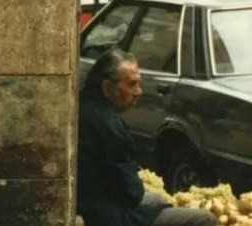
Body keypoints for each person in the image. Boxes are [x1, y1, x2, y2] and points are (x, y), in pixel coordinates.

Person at [77, 48, 216, 226]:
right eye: (131, 84)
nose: (139, 92)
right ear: (107, 87)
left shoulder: (85, 104)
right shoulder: (109, 126)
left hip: (90, 201)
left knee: (158, 199)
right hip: (104, 214)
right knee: (204, 219)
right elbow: (131, 193)